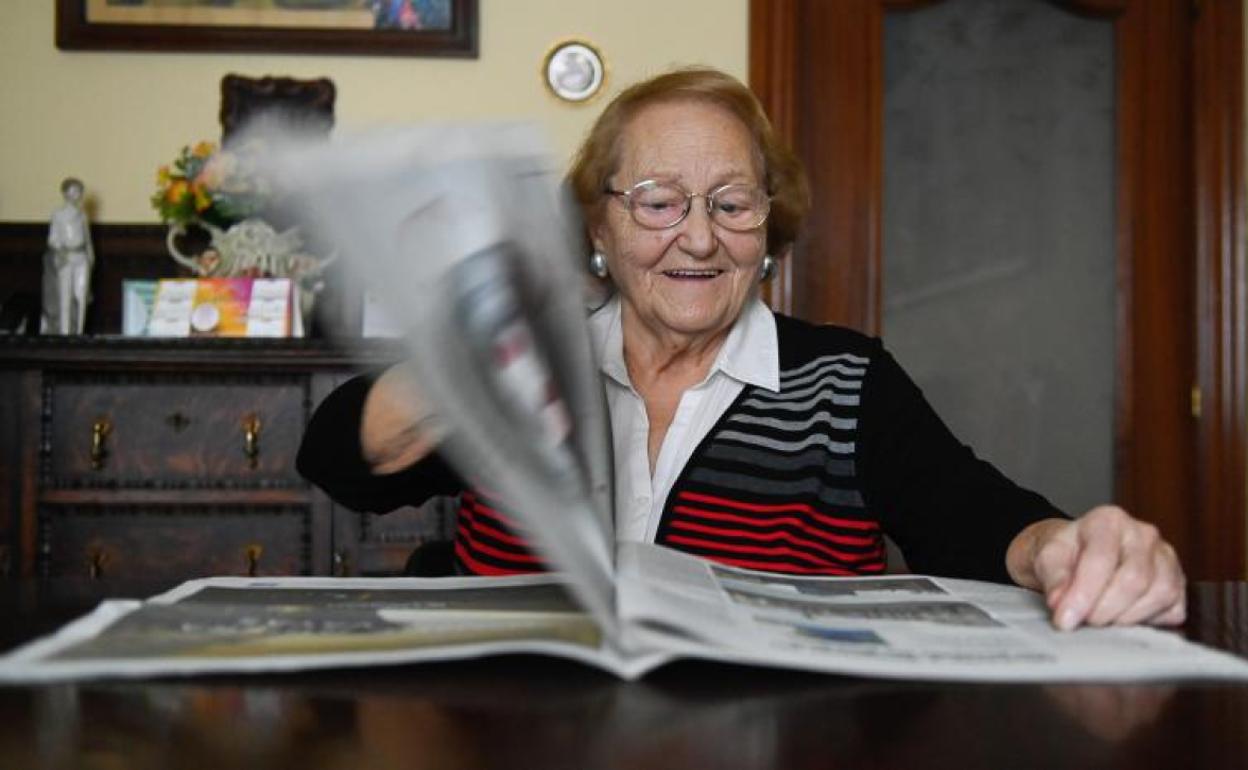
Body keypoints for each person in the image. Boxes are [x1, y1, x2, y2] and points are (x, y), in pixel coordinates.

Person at [297, 67, 1184, 631]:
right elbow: (338, 460)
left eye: (731, 202)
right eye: (657, 200)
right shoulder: (532, 369)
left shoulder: (847, 379)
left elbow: (972, 518)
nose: (697, 239)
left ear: (769, 231)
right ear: (598, 225)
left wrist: (1065, 547)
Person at [45, 177, 94, 335]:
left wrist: (91, 255)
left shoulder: (82, 215)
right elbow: (52, 238)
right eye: (73, 190)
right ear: (65, 193)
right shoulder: (58, 215)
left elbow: (87, 238)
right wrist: (60, 251)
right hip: (66, 257)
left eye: (79, 191)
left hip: (81, 258)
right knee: (64, 296)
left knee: (81, 295)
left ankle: (79, 331)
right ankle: (64, 333)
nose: (77, 194)